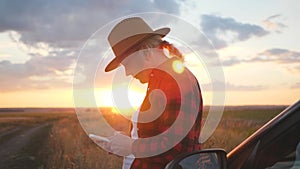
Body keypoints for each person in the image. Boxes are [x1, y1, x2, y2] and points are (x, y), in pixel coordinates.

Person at [95, 17, 203, 169]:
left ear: (145, 53)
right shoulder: (161, 81)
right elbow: (159, 137)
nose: (127, 73)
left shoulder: (177, 81)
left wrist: (132, 147)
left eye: (127, 64)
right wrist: (124, 143)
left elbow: (174, 149)